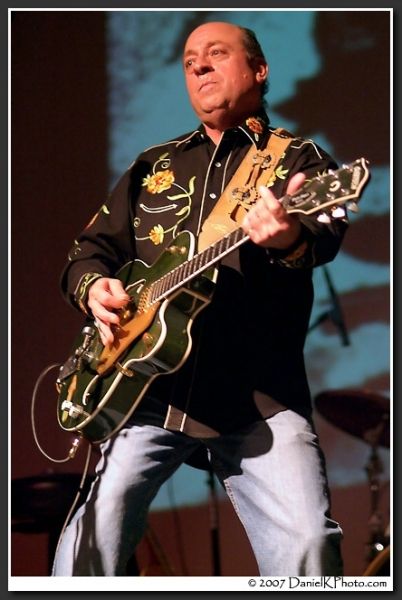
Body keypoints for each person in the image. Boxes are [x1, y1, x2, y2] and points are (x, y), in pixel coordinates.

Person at [52, 21, 346, 576]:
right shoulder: (153, 167)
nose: (200, 66)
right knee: (91, 537)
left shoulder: (299, 161)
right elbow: (87, 253)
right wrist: (95, 287)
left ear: (259, 70)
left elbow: (321, 239)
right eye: (190, 61)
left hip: (258, 396)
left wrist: (285, 234)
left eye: (216, 54)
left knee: (309, 544)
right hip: (151, 392)